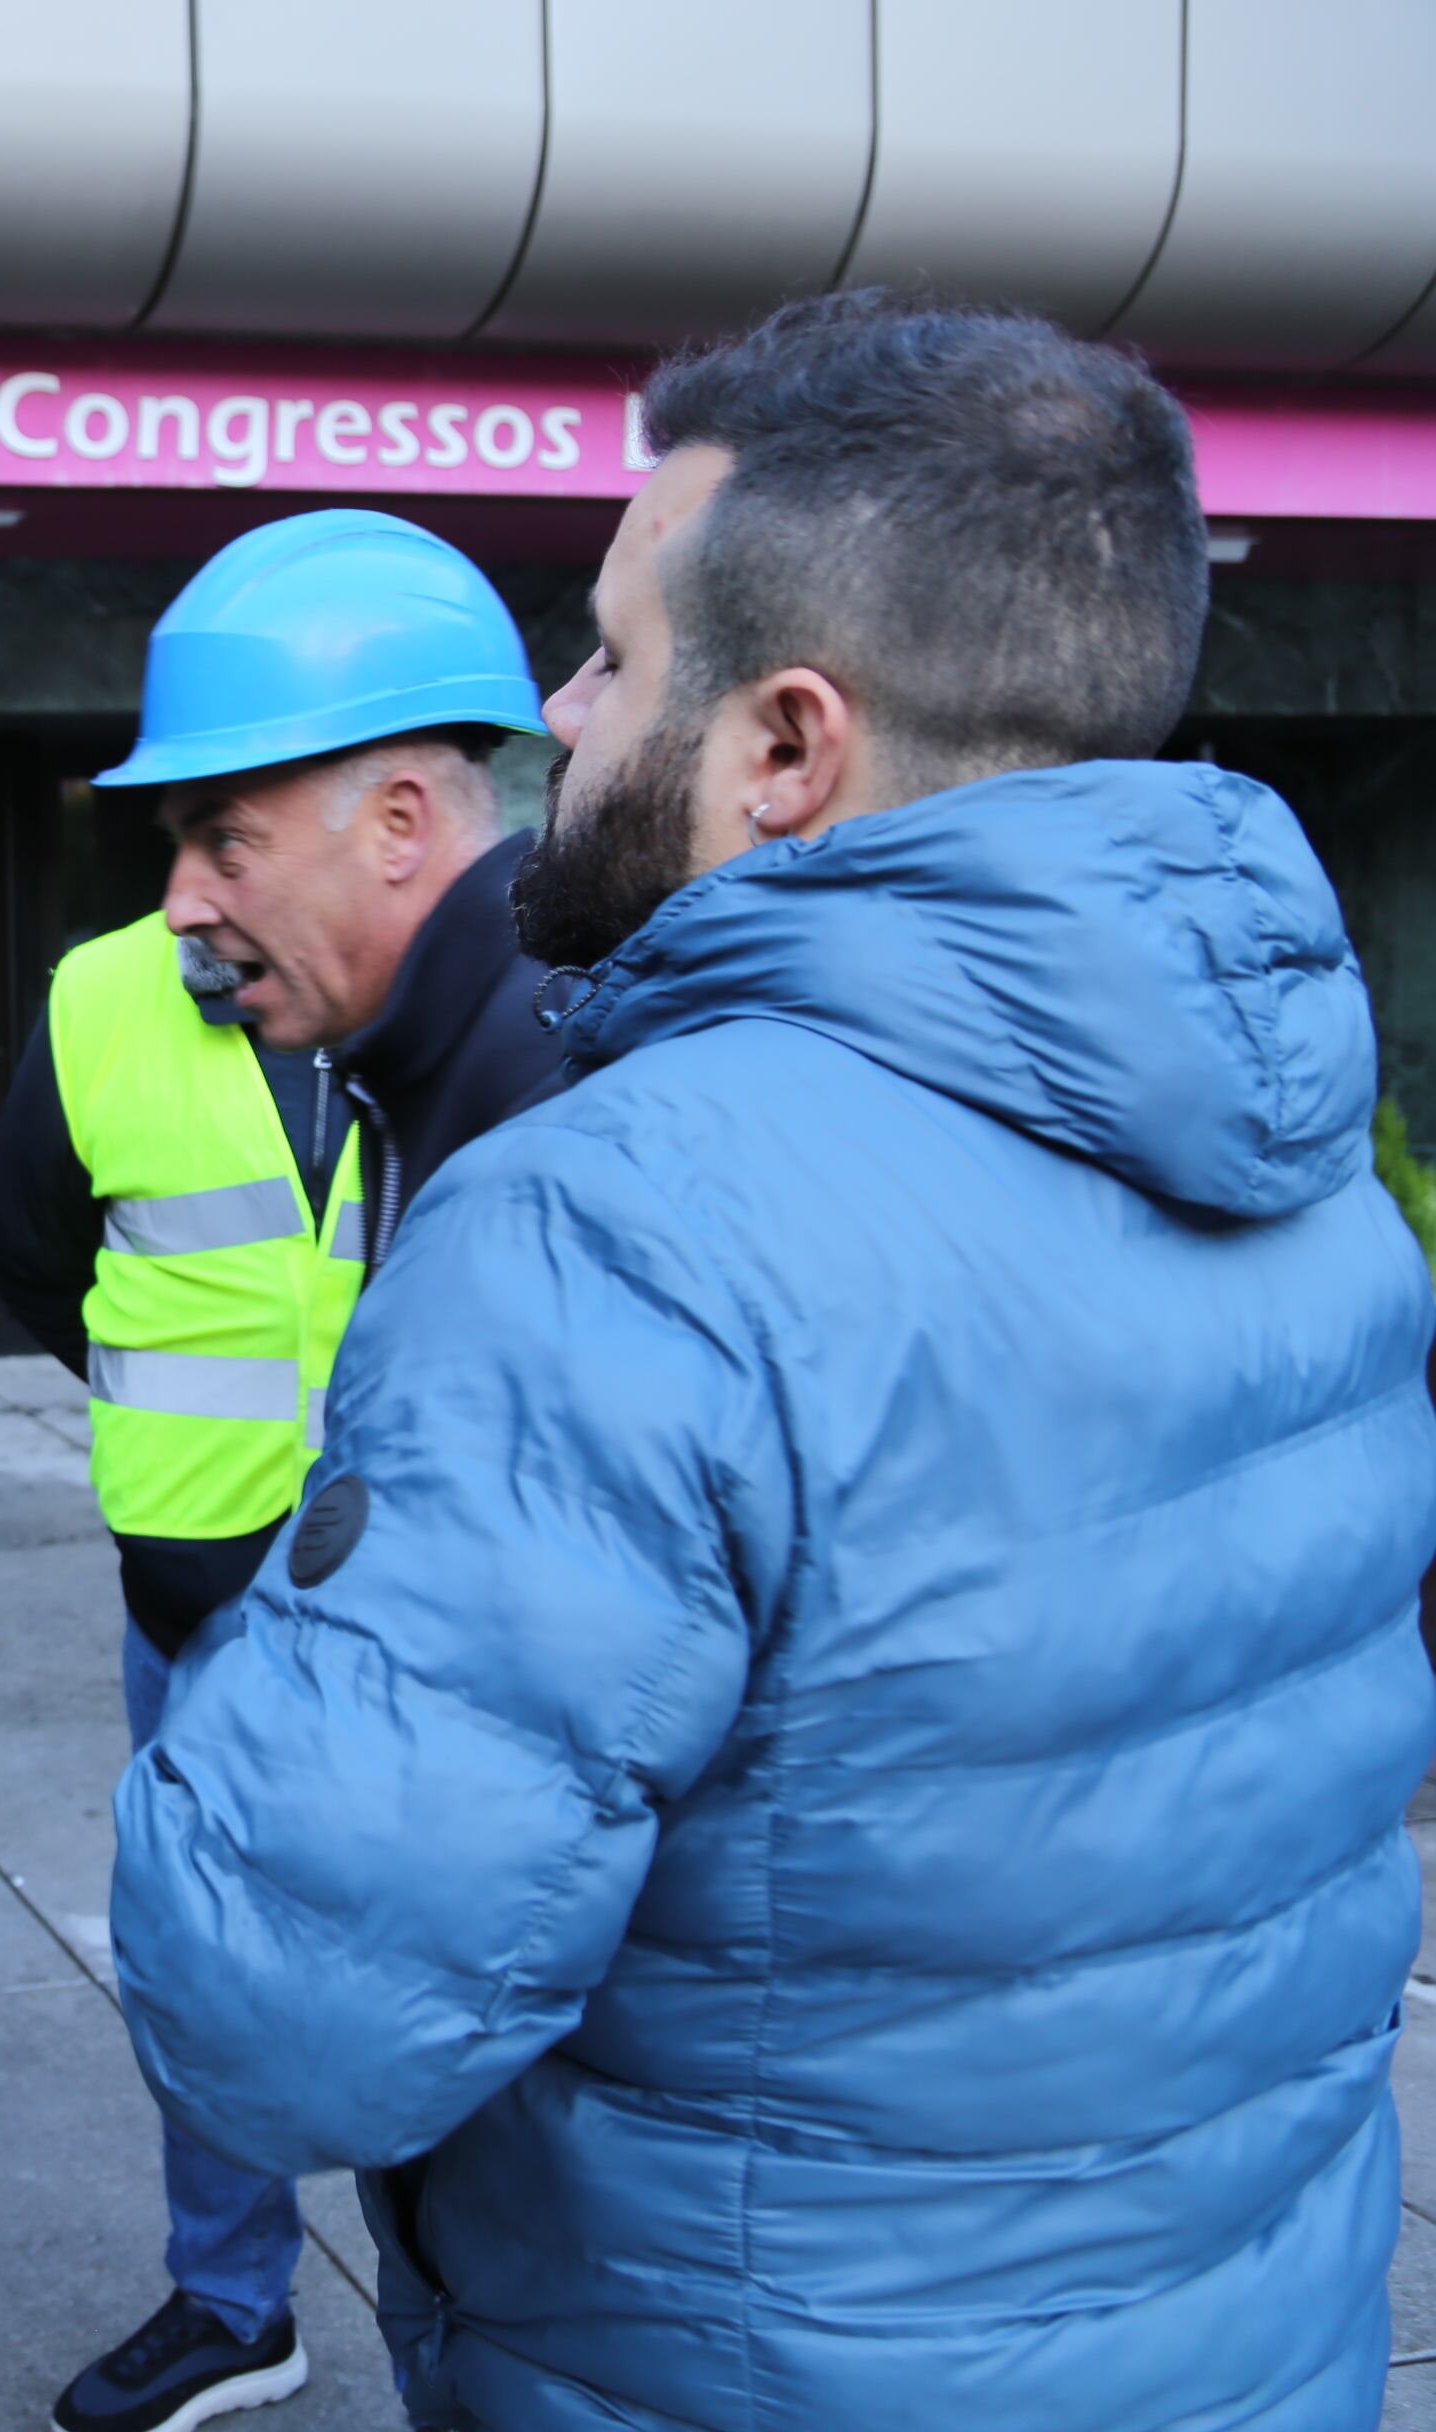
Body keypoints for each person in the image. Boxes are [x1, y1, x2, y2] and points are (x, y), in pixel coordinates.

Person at [112, 291, 1436, 2432]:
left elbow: (283, 2022)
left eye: (621, 653)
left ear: (787, 744)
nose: (558, 705)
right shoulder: (1320, 1189)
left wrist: (299, 1620)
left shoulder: (620, 1224)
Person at [0, 514, 556, 2432]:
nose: (180, 898)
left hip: (440, 1644)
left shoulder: (577, 1050)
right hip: (202, 1591)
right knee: (215, 1979)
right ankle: (234, 2304)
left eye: (224, 838)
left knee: (457, 2015)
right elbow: (33, 1261)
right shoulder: (101, 999)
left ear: (401, 822)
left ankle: (458, 2323)